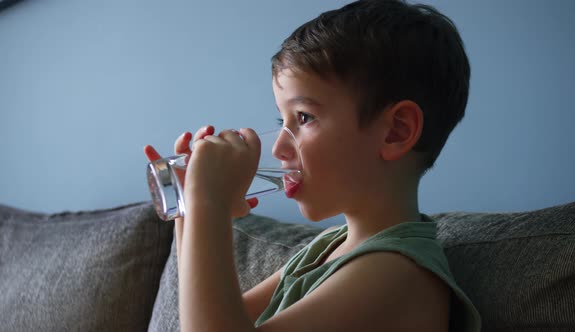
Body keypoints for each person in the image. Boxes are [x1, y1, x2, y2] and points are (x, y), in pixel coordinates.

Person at [144, 0, 481, 330]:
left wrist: (210, 204)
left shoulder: (398, 273)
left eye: (304, 117)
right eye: (282, 119)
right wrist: (189, 206)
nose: (277, 147)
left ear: (396, 132)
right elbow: (218, 317)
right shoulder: (329, 247)